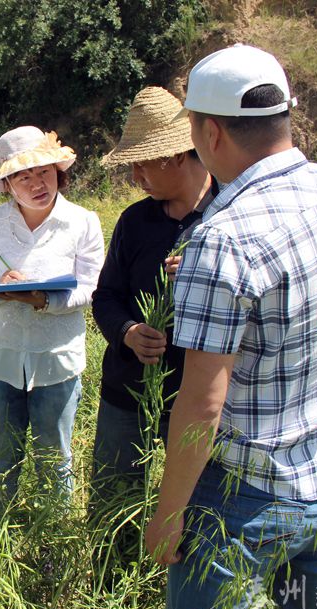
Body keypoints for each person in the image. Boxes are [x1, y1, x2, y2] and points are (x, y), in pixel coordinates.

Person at [144, 44, 317, 609]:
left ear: (211, 133)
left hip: (243, 508)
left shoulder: (222, 239)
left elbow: (203, 401)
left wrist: (168, 513)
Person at [90, 87, 216, 529]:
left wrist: (204, 273)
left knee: (198, 510)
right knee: (113, 503)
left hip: (198, 395)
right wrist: (127, 331)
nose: (135, 176)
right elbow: (105, 296)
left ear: (177, 156)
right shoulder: (135, 221)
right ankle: (112, 568)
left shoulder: (227, 217)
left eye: (143, 163)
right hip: (127, 391)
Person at [0, 126, 104, 511]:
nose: (37, 184)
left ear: (58, 172)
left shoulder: (82, 221)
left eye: (44, 171)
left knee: (54, 460)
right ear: (8, 184)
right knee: (1, 457)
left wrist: (44, 300)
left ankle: (52, 535)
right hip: (0, 357)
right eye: (23, 177)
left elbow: (92, 287)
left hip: (56, 359)